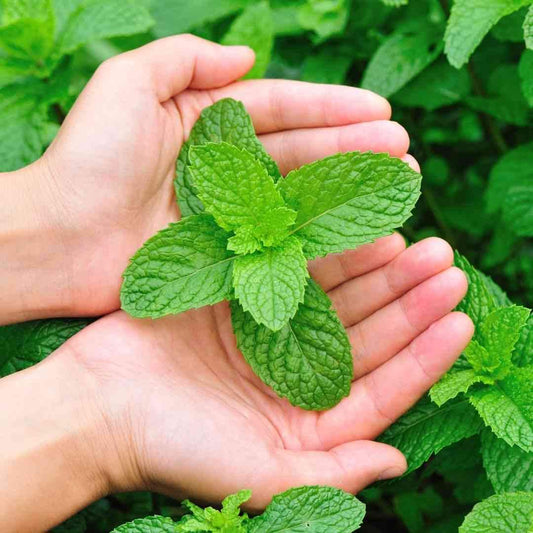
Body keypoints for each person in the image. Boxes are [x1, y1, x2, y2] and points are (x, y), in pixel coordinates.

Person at [0, 35, 473, 532]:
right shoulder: (238, 240)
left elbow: (381, 189)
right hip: (247, 244)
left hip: (264, 245)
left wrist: (51, 220)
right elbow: (173, 285)